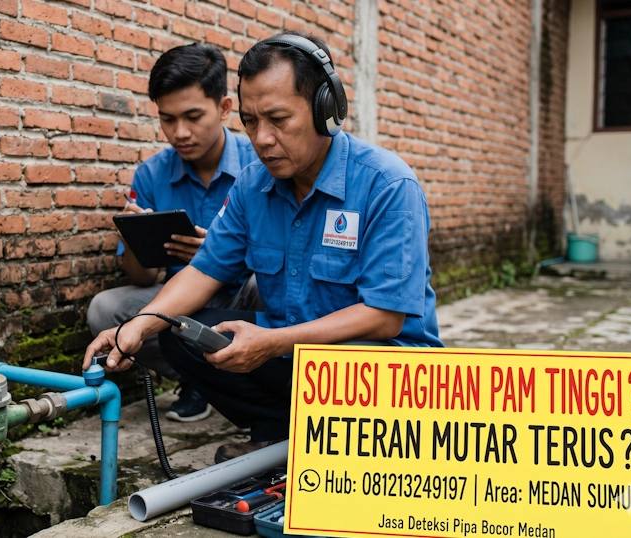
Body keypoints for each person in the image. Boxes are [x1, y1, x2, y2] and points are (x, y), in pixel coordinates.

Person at [83, 31, 442, 463]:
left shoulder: (387, 184)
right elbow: (204, 271)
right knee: (181, 332)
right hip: (294, 349)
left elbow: (384, 317)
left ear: (326, 110)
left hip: (381, 369)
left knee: (333, 364)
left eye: (278, 119)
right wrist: (140, 325)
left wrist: (272, 342)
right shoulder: (253, 184)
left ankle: (330, 439)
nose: (262, 138)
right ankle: (276, 429)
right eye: (250, 121)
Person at [86, 43, 260, 423]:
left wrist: (221, 255)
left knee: (267, 284)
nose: (180, 133)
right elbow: (141, 278)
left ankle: (254, 381)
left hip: (242, 297)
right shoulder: (151, 174)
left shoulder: (260, 164)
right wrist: (136, 238)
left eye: (193, 117)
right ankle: (197, 378)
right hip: (176, 300)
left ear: (224, 108)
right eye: (167, 119)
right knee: (105, 309)